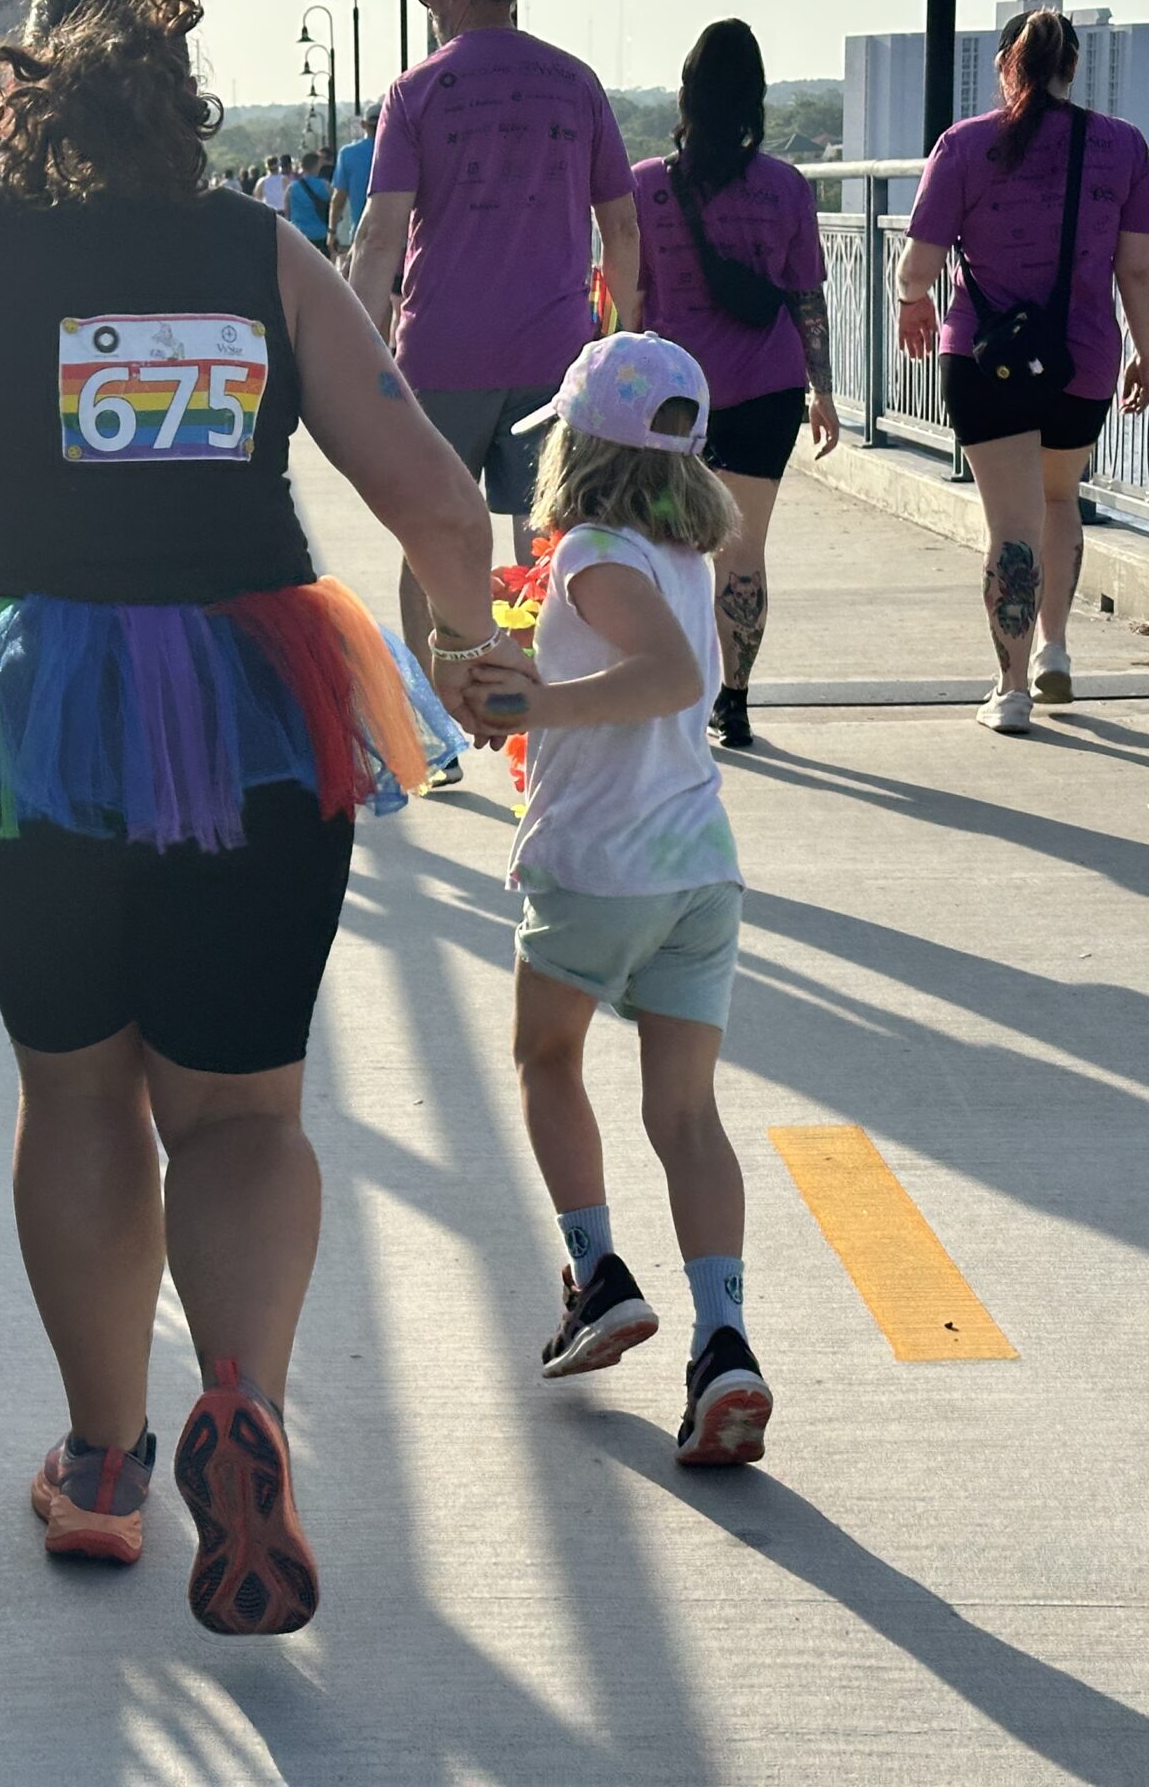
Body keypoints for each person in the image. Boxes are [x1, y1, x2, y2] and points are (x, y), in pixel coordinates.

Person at [0, 0, 507, 1637]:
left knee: (79, 1093)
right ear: (183, 98)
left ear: (19, 96)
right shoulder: (265, 259)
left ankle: (106, 1464)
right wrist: (463, 651)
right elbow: (444, 504)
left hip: (26, 727)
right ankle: (240, 1395)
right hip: (256, 714)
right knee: (241, 1113)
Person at [466, 332, 774, 1469]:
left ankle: (596, 1274)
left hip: (601, 868)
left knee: (546, 1058)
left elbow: (668, 681)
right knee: (685, 1115)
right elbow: (654, 670)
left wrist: (529, 709)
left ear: (580, 446)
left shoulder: (594, 546)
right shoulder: (682, 553)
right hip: (700, 872)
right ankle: (724, 1344)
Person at [347, 0, 643, 739]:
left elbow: (378, 236)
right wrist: (626, 338)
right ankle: (528, 705)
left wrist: (353, 348)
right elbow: (621, 230)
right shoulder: (576, 83)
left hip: (440, 353)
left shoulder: (417, 93)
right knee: (544, 537)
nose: (428, 8)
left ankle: (433, 722)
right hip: (553, 357)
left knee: (427, 533)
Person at [895, 7, 1149, 735]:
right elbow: (1136, 267)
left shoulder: (964, 146)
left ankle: (1010, 689)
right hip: (1083, 358)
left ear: (1006, 67)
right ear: (1071, 66)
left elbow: (917, 265)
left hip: (987, 361)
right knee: (1057, 499)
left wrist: (910, 302)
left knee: (1009, 522)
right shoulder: (1123, 147)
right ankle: (1056, 649)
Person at [632, 20, 841, 751]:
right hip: (767, 388)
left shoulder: (645, 188)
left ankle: (670, 691)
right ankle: (737, 701)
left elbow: (625, 303)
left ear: (687, 95)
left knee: (664, 550)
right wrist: (824, 391)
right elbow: (806, 298)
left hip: (667, 399)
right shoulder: (787, 188)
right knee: (742, 554)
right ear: (755, 99)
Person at [329, 105, 378, 256]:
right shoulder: (403, 152)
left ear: (363, 124)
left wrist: (332, 230)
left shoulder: (348, 154)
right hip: (400, 236)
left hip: (361, 233)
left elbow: (339, 198)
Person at [285, 146, 334, 253]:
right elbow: (335, 205)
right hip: (321, 235)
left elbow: (287, 214)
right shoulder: (325, 186)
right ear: (317, 165)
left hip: (299, 235)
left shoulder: (291, 188)